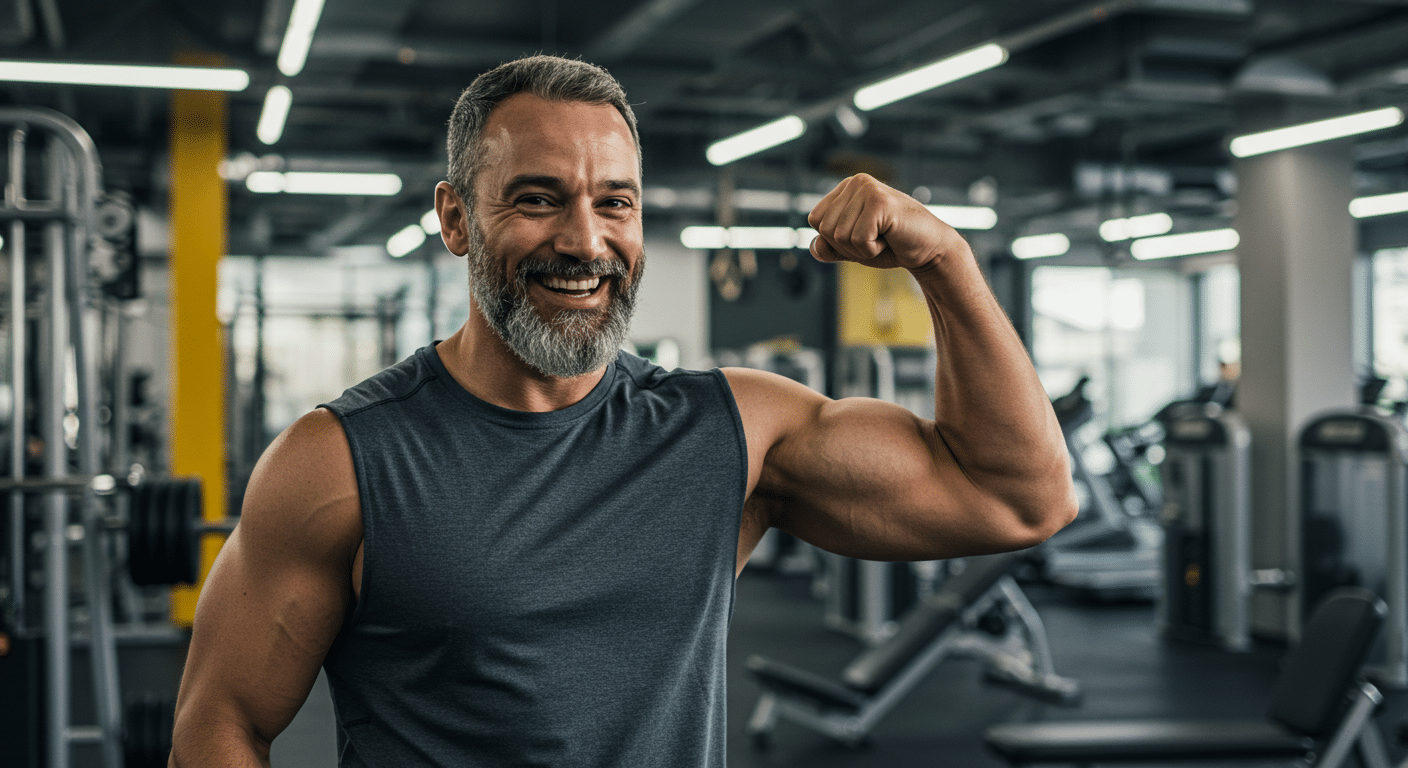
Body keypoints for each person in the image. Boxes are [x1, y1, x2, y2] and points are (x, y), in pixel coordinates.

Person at [169, 55, 1077, 767]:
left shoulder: (728, 432)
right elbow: (221, 724)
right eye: (537, 200)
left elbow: (1018, 498)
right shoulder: (341, 460)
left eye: (616, 204)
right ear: (455, 220)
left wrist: (947, 261)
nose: (584, 241)